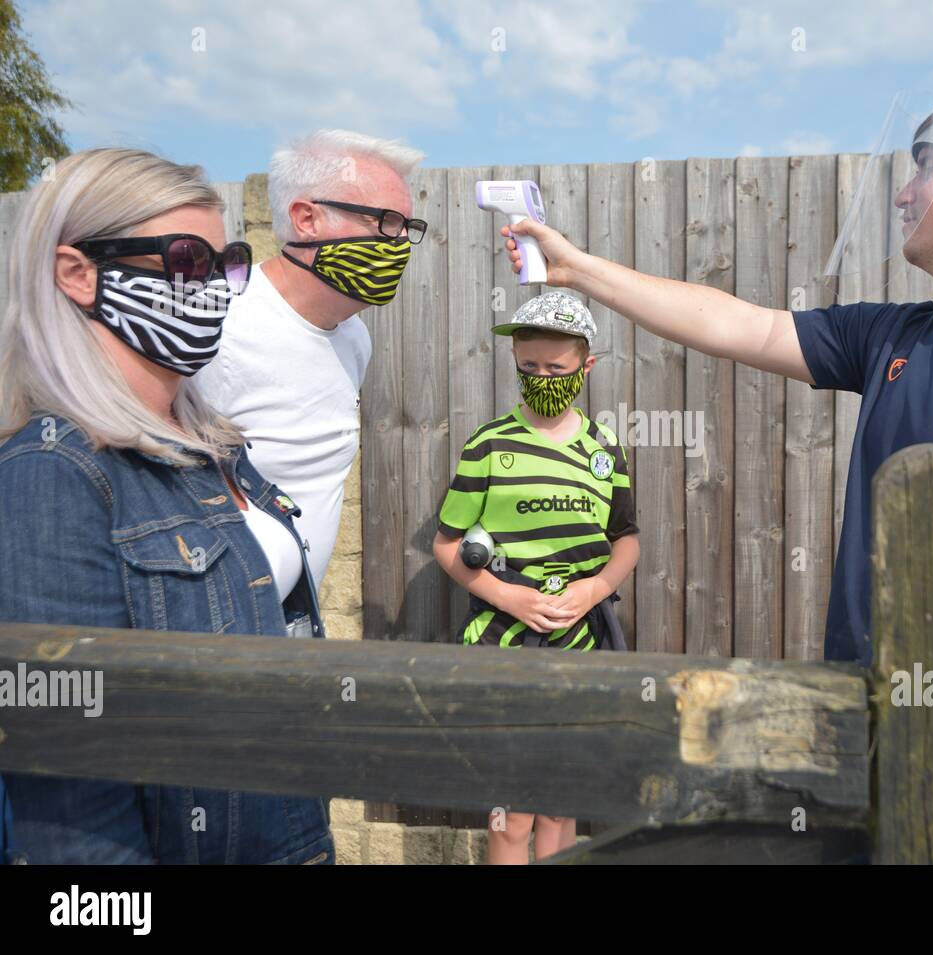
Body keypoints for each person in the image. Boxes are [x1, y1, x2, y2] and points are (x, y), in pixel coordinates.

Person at [498, 84, 933, 865]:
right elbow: (740, 323)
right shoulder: (894, 338)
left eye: (931, 164)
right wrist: (578, 269)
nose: (905, 189)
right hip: (858, 783)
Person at [0, 147, 333, 864]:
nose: (212, 286)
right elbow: (73, 806)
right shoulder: (53, 471)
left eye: (224, 262)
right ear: (77, 274)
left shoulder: (213, 445)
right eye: (185, 260)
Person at [432, 291, 640, 864]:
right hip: (505, 645)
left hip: (581, 642)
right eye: (529, 368)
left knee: (560, 804)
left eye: (556, 368)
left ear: (585, 367)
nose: (541, 377)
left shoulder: (605, 449)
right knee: (511, 813)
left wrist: (594, 589)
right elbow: (446, 544)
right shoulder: (488, 444)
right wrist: (507, 596)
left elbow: (626, 541)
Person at [194, 130, 426, 592]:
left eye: (405, 227)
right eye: (384, 221)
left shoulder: (354, 337)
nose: (398, 242)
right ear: (306, 218)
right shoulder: (216, 327)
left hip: (296, 629)